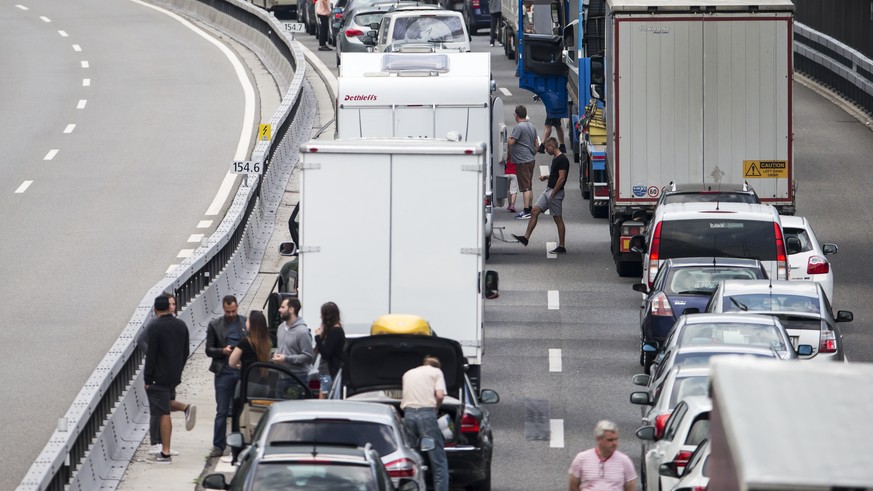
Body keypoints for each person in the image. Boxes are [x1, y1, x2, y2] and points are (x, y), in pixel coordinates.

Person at [139, 292, 196, 456]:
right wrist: (178, 369)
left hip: (159, 376)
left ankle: (162, 447)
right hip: (173, 375)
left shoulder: (155, 326)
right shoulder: (181, 325)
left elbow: (151, 355)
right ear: (168, 307)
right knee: (164, 405)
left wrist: (148, 378)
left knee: (161, 411)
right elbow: (185, 351)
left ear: (156, 309)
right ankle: (185, 409)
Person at [205, 295, 247, 458]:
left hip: (241, 371)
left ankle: (240, 443)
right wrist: (222, 351)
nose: (231, 314)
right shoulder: (215, 325)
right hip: (223, 371)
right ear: (223, 309)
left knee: (242, 410)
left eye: (233, 311)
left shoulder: (244, 322)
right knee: (222, 410)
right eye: (228, 311)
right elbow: (209, 349)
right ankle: (218, 445)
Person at [228, 310, 272, 463]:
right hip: (264, 385)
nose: (245, 323)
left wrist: (242, 366)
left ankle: (236, 451)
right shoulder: (267, 342)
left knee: (238, 415)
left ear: (252, 325)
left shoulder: (245, 342)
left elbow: (232, 362)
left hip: (248, 384)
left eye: (247, 321)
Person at [512, 137, 569, 253]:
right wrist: (547, 177)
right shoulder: (555, 158)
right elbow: (556, 175)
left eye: (547, 148)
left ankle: (562, 246)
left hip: (555, 192)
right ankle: (526, 238)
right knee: (534, 211)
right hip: (548, 190)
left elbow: (562, 178)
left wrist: (554, 192)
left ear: (552, 147)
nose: (546, 150)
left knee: (558, 218)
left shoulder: (562, 159)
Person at [401, 356, 449, 491]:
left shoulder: (408, 373)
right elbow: (439, 395)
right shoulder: (436, 372)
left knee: (414, 457)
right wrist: (436, 409)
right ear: (436, 366)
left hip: (408, 415)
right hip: (427, 415)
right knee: (438, 460)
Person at [568, 420, 637, 491]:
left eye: (616, 439)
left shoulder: (624, 461)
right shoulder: (581, 458)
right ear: (598, 439)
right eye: (610, 440)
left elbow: (630, 485)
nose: (614, 443)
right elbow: (573, 485)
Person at [272, 297, 314, 384]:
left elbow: (308, 357)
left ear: (291, 310)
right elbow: (281, 349)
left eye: (283, 307)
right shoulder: (281, 328)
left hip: (297, 378)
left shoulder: (302, 332)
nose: (279, 310)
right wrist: (276, 355)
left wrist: (286, 359)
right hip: (281, 376)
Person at [507, 105, 539, 220]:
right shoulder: (531, 126)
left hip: (522, 161)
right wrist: (532, 153)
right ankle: (529, 208)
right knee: (529, 185)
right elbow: (536, 143)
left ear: (516, 115)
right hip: (530, 159)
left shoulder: (519, 127)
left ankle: (526, 211)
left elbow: (511, 142)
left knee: (525, 187)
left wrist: (506, 140)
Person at [314, 302, 347, 398]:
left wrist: (317, 338)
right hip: (326, 371)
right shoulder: (333, 331)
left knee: (325, 400)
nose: (320, 317)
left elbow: (326, 353)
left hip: (328, 371)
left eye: (322, 314)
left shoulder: (335, 331)